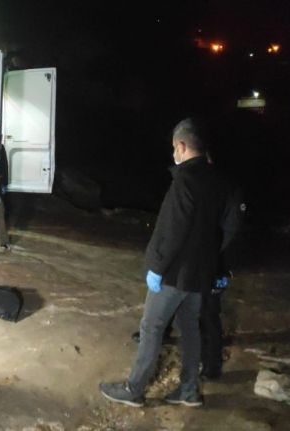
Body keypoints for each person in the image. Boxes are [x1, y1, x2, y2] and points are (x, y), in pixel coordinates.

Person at [99, 118, 236, 407]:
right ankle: (189, 390)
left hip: (175, 274)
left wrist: (157, 268)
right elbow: (221, 231)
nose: (174, 153)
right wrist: (217, 267)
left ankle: (134, 389)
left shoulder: (185, 181)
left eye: (174, 147)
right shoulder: (218, 182)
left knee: (151, 328)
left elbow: (174, 231)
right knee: (190, 329)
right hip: (200, 275)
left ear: (182, 146)